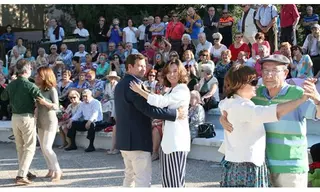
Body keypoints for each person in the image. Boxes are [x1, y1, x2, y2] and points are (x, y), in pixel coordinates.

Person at [219, 54, 320, 187]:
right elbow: (232, 103)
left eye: (274, 70)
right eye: (265, 70)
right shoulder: (255, 93)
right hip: (263, 166)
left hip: (290, 167)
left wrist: (317, 99)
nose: (268, 75)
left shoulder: (298, 93)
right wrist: (223, 117)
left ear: (285, 73)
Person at [114, 54, 186, 187]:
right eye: (139, 66)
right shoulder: (133, 85)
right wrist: (175, 114)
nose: (143, 69)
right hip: (137, 141)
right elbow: (148, 109)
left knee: (129, 177)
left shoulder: (120, 84)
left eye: (144, 65)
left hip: (125, 140)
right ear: (130, 67)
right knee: (142, 179)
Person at [0, 59, 50, 185]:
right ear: (27, 69)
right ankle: (21, 175)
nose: (32, 71)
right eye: (31, 68)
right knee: (30, 148)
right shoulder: (30, 84)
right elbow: (41, 99)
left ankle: (24, 171)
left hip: (15, 117)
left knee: (20, 147)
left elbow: (3, 97)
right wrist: (55, 106)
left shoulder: (11, 84)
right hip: (26, 118)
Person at [34, 66, 62, 182]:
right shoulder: (36, 89)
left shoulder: (52, 89)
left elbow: (56, 106)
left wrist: (45, 102)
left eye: (38, 75)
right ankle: (50, 169)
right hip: (40, 120)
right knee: (43, 148)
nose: (36, 77)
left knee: (47, 147)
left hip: (50, 120)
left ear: (44, 76)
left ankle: (58, 170)